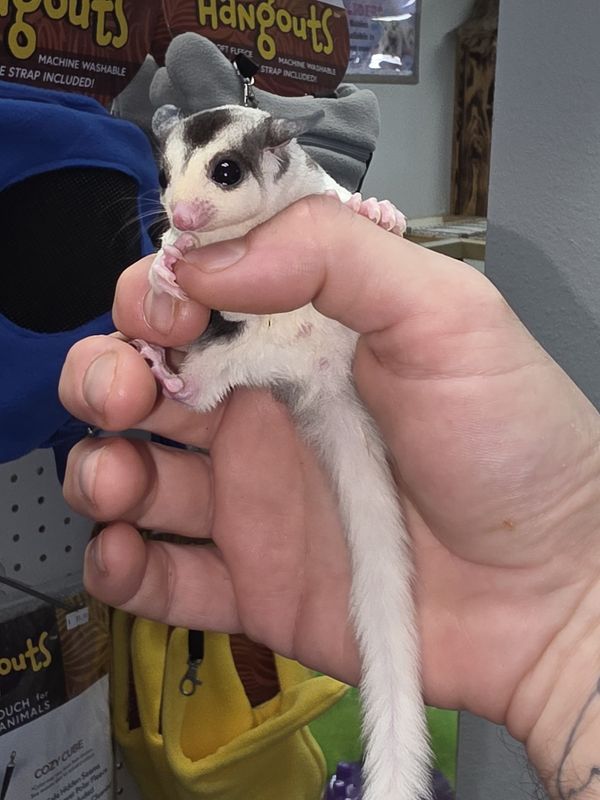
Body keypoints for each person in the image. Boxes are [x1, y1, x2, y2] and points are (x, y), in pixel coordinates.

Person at [59, 195, 600, 799]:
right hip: (287, 375)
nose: (184, 211)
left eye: (224, 175)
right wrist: (568, 633)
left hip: (318, 361)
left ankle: (191, 377)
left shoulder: (302, 195)